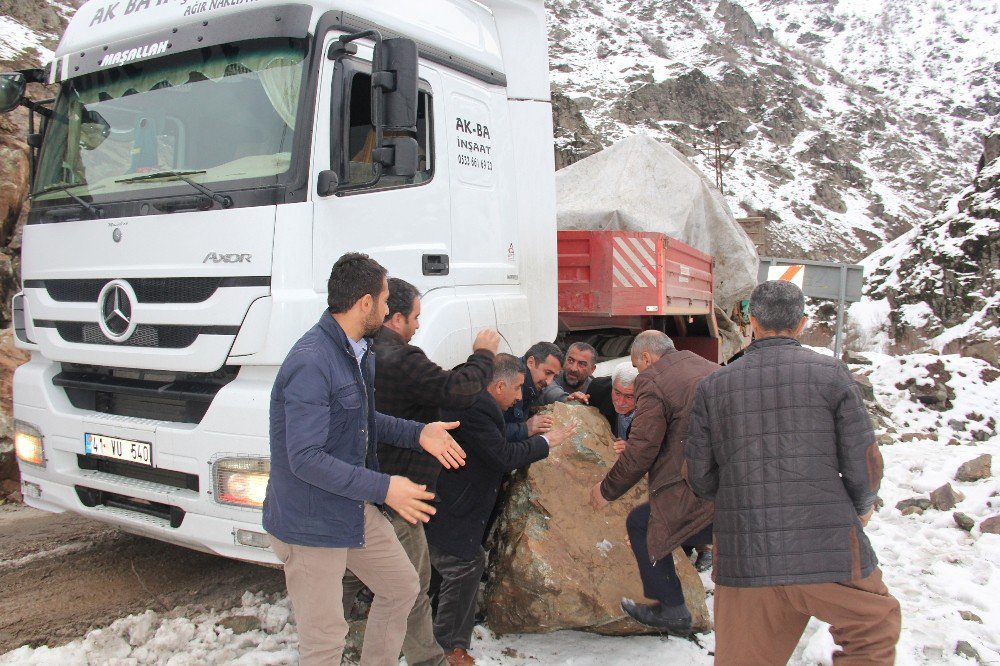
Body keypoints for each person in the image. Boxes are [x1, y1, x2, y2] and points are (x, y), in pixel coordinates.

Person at [263, 253, 468, 666]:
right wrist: (386, 487)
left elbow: (362, 419)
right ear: (365, 304)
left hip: (350, 506)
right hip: (309, 521)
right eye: (385, 298)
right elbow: (304, 458)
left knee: (401, 587)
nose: (391, 307)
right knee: (324, 643)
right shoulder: (312, 361)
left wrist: (418, 432)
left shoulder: (359, 351)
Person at [685, 280, 900, 665]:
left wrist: (743, 497)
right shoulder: (832, 374)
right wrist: (861, 505)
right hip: (827, 546)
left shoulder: (714, 386)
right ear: (802, 323)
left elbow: (699, 476)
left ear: (751, 321)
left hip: (746, 554)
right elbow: (864, 459)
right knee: (873, 628)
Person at [341, 277, 500, 666]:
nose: (416, 326)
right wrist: (483, 355)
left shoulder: (359, 352)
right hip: (400, 491)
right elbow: (456, 389)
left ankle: (345, 636)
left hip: (360, 484)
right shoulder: (400, 358)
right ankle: (427, 658)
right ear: (393, 317)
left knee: (351, 573)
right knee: (411, 582)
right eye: (414, 318)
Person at [425, 354, 574, 665]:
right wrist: (547, 440)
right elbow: (502, 455)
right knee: (463, 566)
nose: (520, 396)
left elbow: (490, 440)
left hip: (452, 503)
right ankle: (448, 648)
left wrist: (526, 430)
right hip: (455, 505)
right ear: (499, 385)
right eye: (517, 388)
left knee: (446, 568)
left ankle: (433, 636)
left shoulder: (477, 401)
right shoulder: (477, 406)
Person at [589, 330, 718, 635]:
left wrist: (607, 490)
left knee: (642, 524)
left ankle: (673, 608)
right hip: (732, 484)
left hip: (697, 484)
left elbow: (642, 448)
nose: (638, 372)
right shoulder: (709, 367)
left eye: (637, 365)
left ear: (646, 357)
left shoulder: (653, 379)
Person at [503, 341, 563, 441]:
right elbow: (489, 432)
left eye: (555, 377)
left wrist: (565, 398)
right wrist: (525, 428)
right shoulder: (508, 380)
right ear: (531, 362)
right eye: (548, 373)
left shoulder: (531, 381)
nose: (549, 382)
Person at [586, 363, 639, 451]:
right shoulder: (598, 389)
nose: (620, 402)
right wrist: (577, 403)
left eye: (629, 397)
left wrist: (634, 450)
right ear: (612, 385)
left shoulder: (655, 408)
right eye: (617, 393)